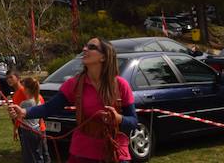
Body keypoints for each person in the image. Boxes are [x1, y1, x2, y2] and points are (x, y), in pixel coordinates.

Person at [9, 37, 137, 163]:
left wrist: (118, 118)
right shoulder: (74, 84)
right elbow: (49, 108)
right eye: (85, 46)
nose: (84, 49)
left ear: (103, 57)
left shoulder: (121, 85)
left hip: (114, 152)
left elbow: (133, 121)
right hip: (83, 152)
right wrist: (24, 112)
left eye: (91, 47)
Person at [6, 70, 49, 163]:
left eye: (11, 77)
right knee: (39, 155)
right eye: (7, 78)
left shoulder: (23, 94)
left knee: (35, 155)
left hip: (32, 129)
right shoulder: (17, 93)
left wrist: (15, 117)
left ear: (18, 78)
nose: (8, 80)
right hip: (32, 128)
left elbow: (23, 113)